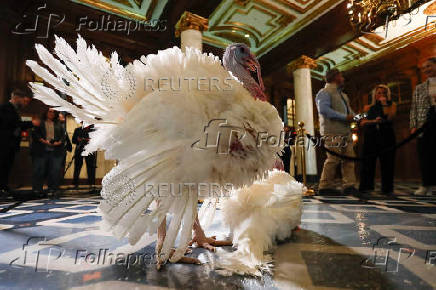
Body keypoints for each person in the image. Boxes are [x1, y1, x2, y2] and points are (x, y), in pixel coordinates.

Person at [315, 68, 358, 195]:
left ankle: (349, 185)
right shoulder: (324, 92)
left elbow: (349, 111)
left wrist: (359, 118)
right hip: (332, 131)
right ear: (335, 77)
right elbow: (324, 110)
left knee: (349, 158)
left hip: (346, 131)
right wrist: (345, 118)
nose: (343, 79)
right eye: (341, 76)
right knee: (333, 158)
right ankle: (325, 186)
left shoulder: (343, 95)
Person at [359, 85, 397, 195]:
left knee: (388, 162)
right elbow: (361, 122)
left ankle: (387, 188)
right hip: (371, 136)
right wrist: (374, 121)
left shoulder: (392, 105)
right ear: (374, 95)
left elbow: (391, 118)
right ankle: (366, 187)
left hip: (387, 136)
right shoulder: (367, 107)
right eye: (379, 93)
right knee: (368, 162)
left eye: (384, 93)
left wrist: (384, 104)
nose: (381, 95)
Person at [410, 57, 436, 196]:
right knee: (425, 154)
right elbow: (414, 107)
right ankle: (426, 185)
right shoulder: (419, 88)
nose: (426, 69)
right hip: (424, 122)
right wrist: (413, 125)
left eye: (429, 66)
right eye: (424, 67)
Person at [0, 89, 32, 197]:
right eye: (24, 101)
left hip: (11, 145)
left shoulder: (14, 110)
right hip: (4, 144)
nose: (25, 104)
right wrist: (31, 123)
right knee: (2, 166)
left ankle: (4, 187)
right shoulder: (5, 108)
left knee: (7, 167)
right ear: (17, 98)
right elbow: (12, 123)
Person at [32, 108, 66, 197]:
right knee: (39, 170)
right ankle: (37, 190)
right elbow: (35, 134)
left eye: (53, 112)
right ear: (46, 112)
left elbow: (63, 136)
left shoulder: (59, 124)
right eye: (49, 111)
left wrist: (59, 142)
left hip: (56, 151)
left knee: (55, 171)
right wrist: (43, 141)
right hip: (41, 151)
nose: (51, 113)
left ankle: (53, 189)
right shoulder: (41, 123)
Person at [72, 123, 96, 189]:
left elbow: (97, 140)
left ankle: (92, 184)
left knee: (91, 167)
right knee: (77, 167)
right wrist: (78, 140)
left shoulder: (93, 130)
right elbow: (73, 140)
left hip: (90, 150)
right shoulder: (77, 130)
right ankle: (75, 184)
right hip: (79, 150)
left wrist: (89, 140)